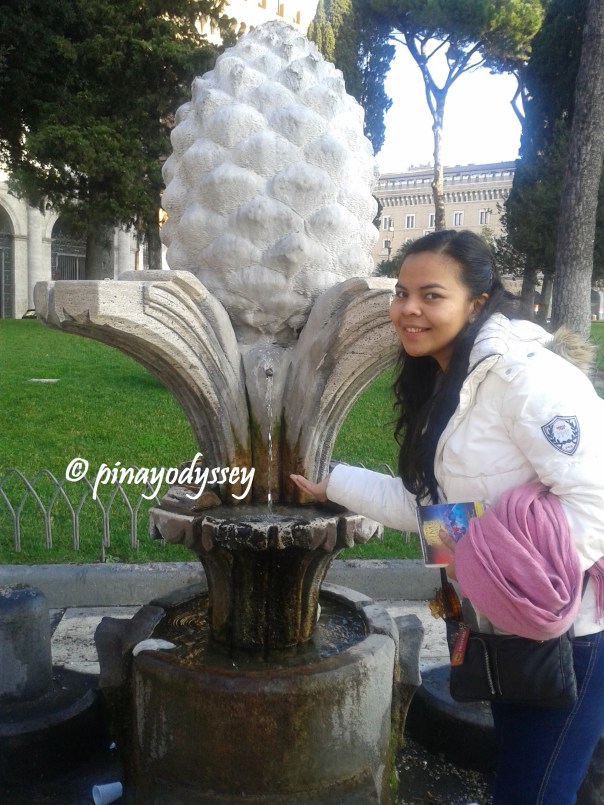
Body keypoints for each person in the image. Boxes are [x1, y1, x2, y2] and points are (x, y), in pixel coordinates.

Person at [291, 229, 604, 805]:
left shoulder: (526, 378)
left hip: (568, 635)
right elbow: (437, 514)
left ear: (477, 303)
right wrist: (331, 483)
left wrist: (523, 587)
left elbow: (597, 497)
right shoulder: (450, 379)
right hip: (498, 633)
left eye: (431, 295)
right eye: (402, 292)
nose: (408, 309)